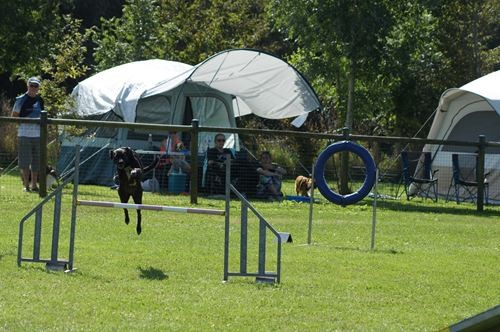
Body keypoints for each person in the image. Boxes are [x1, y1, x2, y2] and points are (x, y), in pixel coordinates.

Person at [11, 77, 44, 192]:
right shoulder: (20, 99)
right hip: (24, 134)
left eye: (36, 86)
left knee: (36, 160)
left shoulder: (40, 100)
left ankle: (34, 185)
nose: (34, 88)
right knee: (25, 160)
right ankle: (26, 186)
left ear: (39, 87)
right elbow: (14, 116)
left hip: (38, 135)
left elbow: (43, 116)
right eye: (32, 85)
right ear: (27, 86)